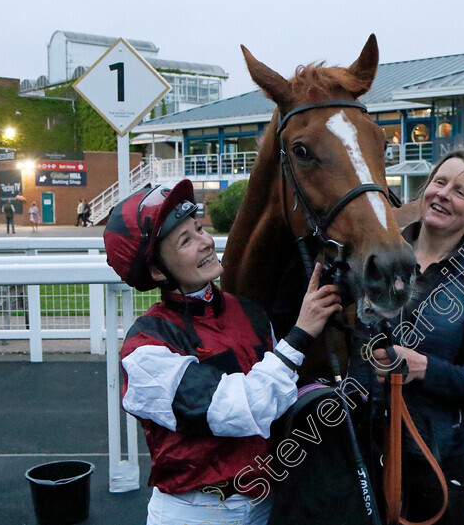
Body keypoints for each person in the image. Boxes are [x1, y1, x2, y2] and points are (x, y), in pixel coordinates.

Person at [103, 179, 342, 525]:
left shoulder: (251, 313)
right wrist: (301, 335)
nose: (205, 242)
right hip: (195, 513)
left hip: (265, 503)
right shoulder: (144, 348)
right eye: (186, 240)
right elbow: (238, 409)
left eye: (199, 228)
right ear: (156, 270)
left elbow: (282, 401)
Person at [372, 147, 464, 525]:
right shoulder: (379, 257)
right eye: (439, 182)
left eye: (461, 191)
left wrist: (422, 367)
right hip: (366, 449)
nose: (444, 194)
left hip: (436, 459)